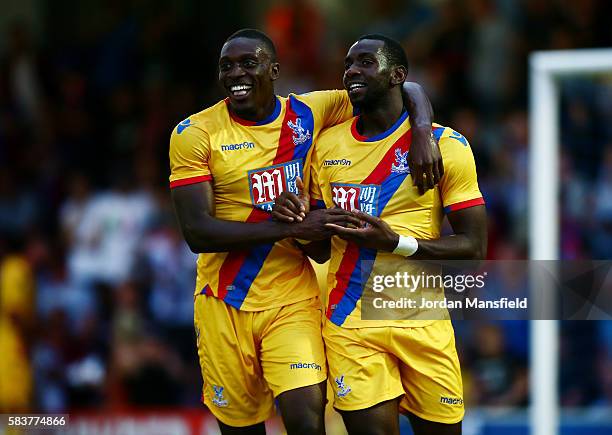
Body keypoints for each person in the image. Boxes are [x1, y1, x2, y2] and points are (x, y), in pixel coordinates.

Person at [169, 29, 441, 434]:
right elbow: (198, 233)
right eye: (226, 66)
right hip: (223, 300)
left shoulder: (310, 112)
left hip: (292, 297)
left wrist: (421, 128)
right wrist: (282, 228)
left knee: (305, 417)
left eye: (248, 63)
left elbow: (403, 85)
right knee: (241, 427)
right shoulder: (194, 133)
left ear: (274, 70)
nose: (235, 73)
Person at [273, 34, 487, 435]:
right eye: (348, 64)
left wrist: (395, 244)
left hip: (423, 320)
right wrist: (296, 224)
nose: (351, 70)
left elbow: (473, 249)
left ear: (397, 77)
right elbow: (319, 249)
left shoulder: (446, 146)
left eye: (366, 62)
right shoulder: (325, 146)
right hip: (351, 322)